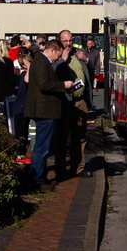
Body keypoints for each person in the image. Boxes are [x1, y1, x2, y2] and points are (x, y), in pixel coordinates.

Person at [25, 39, 74, 190]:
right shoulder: (41, 62)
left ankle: (40, 177)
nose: (58, 59)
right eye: (58, 55)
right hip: (44, 110)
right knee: (42, 146)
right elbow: (43, 84)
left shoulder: (41, 61)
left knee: (42, 145)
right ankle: (38, 180)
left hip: (45, 109)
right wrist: (63, 85)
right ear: (53, 49)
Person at [53, 30, 91, 179]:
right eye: (65, 41)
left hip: (80, 101)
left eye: (70, 40)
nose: (68, 44)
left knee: (80, 136)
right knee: (62, 137)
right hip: (65, 102)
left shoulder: (77, 53)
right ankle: (60, 170)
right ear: (59, 41)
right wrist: (63, 59)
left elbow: (90, 71)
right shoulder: (57, 57)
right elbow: (53, 74)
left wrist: (86, 60)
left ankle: (79, 168)